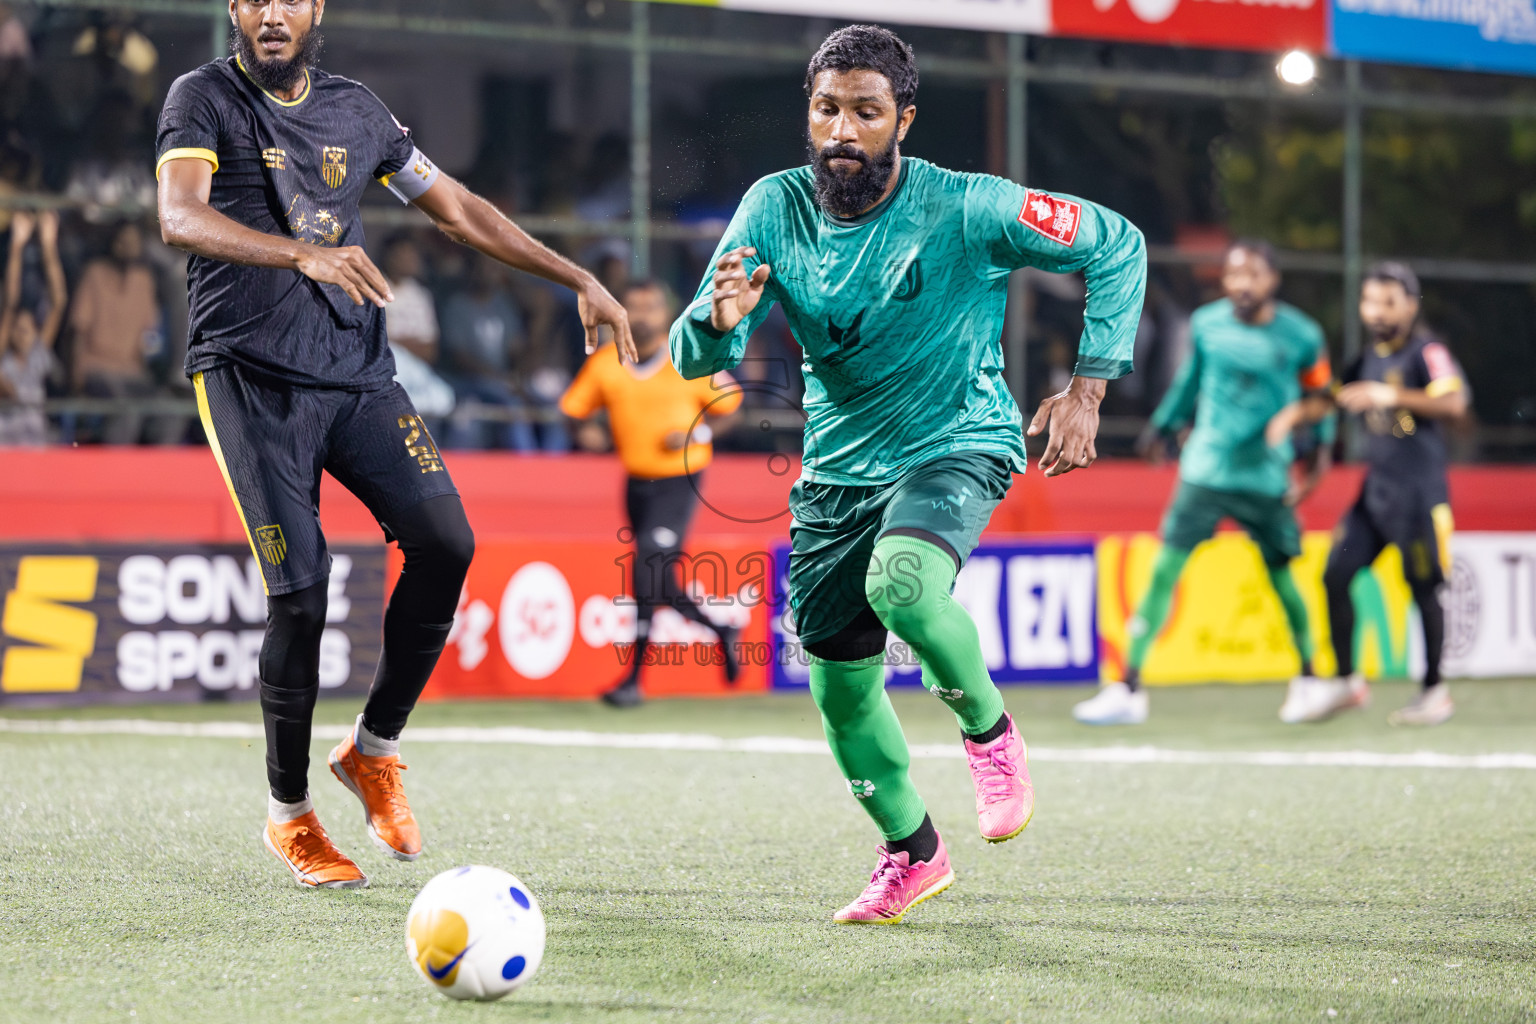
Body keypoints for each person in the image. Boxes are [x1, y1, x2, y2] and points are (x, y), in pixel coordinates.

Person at [672, 25, 1146, 924]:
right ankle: (912, 852)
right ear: (807, 117)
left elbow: (1116, 243)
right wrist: (713, 320)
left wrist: (1089, 386)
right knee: (841, 693)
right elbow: (697, 352)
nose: (842, 129)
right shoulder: (772, 207)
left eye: (865, 111)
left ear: (904, 121)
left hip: (955, 442)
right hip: (836, 478)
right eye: (826, 110)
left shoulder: (970, 206)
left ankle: (990, 733)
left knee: (904, 585)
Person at [156, 0, 632, 890]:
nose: (272, 12)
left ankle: (373, 751)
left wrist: (578, 276)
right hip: (246, 377)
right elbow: (179, 216)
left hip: (356, 374)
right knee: (301, 596)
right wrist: (299, 251)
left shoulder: (359, 111)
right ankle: (291, 815)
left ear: (315, 10)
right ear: (234, 9)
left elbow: (457, 209)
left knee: (449, 542)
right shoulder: (201, 97)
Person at [1073, 241, 1334, 727]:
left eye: (1253, 274)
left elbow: (1321, 402)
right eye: (1234, 274)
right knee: (1164, 570)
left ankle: (1310, 679)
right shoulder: (1207, 324)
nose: (1242, 284)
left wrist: (1317, 466)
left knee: (1282, 578)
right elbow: (1190, 381)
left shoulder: (1303, 335)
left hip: (1265, 476)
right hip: (1206, 472)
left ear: (1272, 280)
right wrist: (1164, 424)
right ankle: (1127, 687)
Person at [1278, 263, 1468, 726]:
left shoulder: (1428, 351)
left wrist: (1390, 397)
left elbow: (1455, 403)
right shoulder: (1366, 360)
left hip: (1420, 496)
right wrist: (1288, 418)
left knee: (1423, 590)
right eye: (1369, 301)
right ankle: (1345, 681)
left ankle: (1434, 692)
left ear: (1410, 303)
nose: (1376, 311)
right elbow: (1333, 400)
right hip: (1375, 496)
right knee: (1334, 575)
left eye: (1388, 301)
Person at [560, 279, 744, 708]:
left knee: (646, 567)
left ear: (667, 314)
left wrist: (695, 433)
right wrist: (584, 432)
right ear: (619, 312)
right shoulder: (607, 363)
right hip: (637, 483)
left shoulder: (690, 357)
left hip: (681, 479)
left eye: (651, 307)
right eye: (634, 307)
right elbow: (572, 410)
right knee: (657, 578)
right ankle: (720, 630)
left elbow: (733, 408)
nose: (642, 315)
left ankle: (634, 681)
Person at [68, 220, 180, 444]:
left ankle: (156, 477)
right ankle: (115, 477)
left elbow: (150, 338)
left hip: (134, 373)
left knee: (172, 411)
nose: (127, 247)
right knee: (127, 411)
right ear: (113, 243)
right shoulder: (95, 274)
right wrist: (76, 378)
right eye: (122, 241)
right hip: (97, 370)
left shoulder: (144, 281)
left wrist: (156, 370)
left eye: (132, 242)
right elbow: (78, 331)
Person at [0, 209, 65, 445]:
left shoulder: (38, 353)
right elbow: (10, 302)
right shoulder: (3, 356)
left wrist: (48, 245)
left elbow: (58, 302)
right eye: (16, 329)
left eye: (27, 329)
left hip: (35, 445)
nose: (21, 333)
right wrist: (17, 246)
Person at [381, 233, 454, 423]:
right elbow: (380, 344)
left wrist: (398, 340)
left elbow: (430, 351)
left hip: (417, 370)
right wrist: (407, 343)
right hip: (388, 368)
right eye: (405, 253)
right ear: (390, 255)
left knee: (444, 398)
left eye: (413, 254)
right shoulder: (374, 288)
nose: (411, 259)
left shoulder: (421, 295)